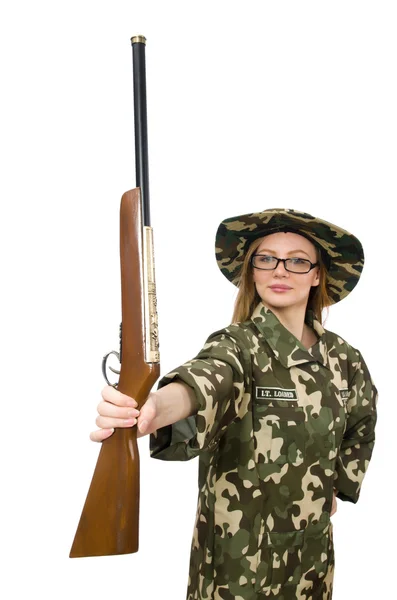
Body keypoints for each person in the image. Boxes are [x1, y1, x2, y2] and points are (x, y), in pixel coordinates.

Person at [91, 208, 378, 600]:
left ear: (316, 275)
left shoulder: (345, 359)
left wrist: (336, 486)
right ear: (253, 272)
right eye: (266, 259)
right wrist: (157, 405)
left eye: (296, 260)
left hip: (311, 567)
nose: (280, 270)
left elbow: (362, 423)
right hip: (237, 570)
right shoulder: (237, 346)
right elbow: (208, 379)